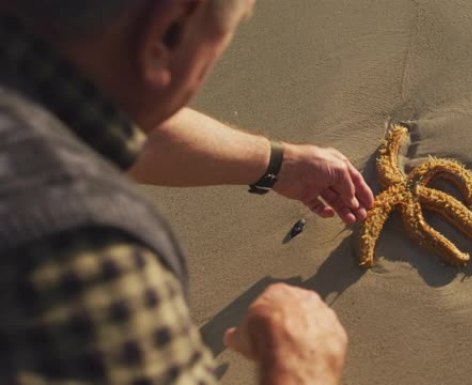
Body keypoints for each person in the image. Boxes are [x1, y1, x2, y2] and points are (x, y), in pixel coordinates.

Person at [0, 0, 374, 384]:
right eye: (221, 40)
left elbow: (103, 117)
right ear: (167, 32)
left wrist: (278, 163)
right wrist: (301, 362)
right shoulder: (88, 261)